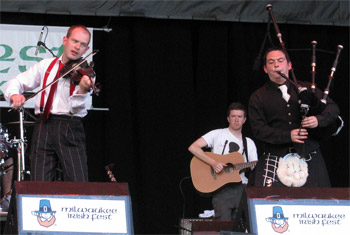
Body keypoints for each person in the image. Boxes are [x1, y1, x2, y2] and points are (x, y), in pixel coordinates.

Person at [4, 25, 94, 182]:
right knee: (40, 181)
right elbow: (17, 81)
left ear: (87, 49)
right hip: (43, 125)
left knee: (77, 180)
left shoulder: (86, 74)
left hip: (69, 127)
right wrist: (15, 94)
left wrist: (83, 91)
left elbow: (76, 108)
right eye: (74, 41)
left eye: (83, 44)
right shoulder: (46, 65)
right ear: (65, 40)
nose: (77, 47)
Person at [248, 46, 340, 187]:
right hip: (275, 158)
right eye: (271, 62)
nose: (276, 65)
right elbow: (259, 130)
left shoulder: (307, 89)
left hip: (310, 156)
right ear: (265, 69)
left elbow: (333, 109)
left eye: (280, 60)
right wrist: (287, 135)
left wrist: (318, 120)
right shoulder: (258, 97)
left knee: (317, 205)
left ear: (289, 65)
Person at [188, 102, 258, 221]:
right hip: (221, 189)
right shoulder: (217, 134)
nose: (236, 120)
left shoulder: (249, 142)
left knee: (243, 225)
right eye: (233, 116)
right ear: (228, 119)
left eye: (240, 117)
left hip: (242, 188)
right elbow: (193, 147)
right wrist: (213, 163)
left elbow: (254, 167)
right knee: (223, 225)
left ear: (244, 120)